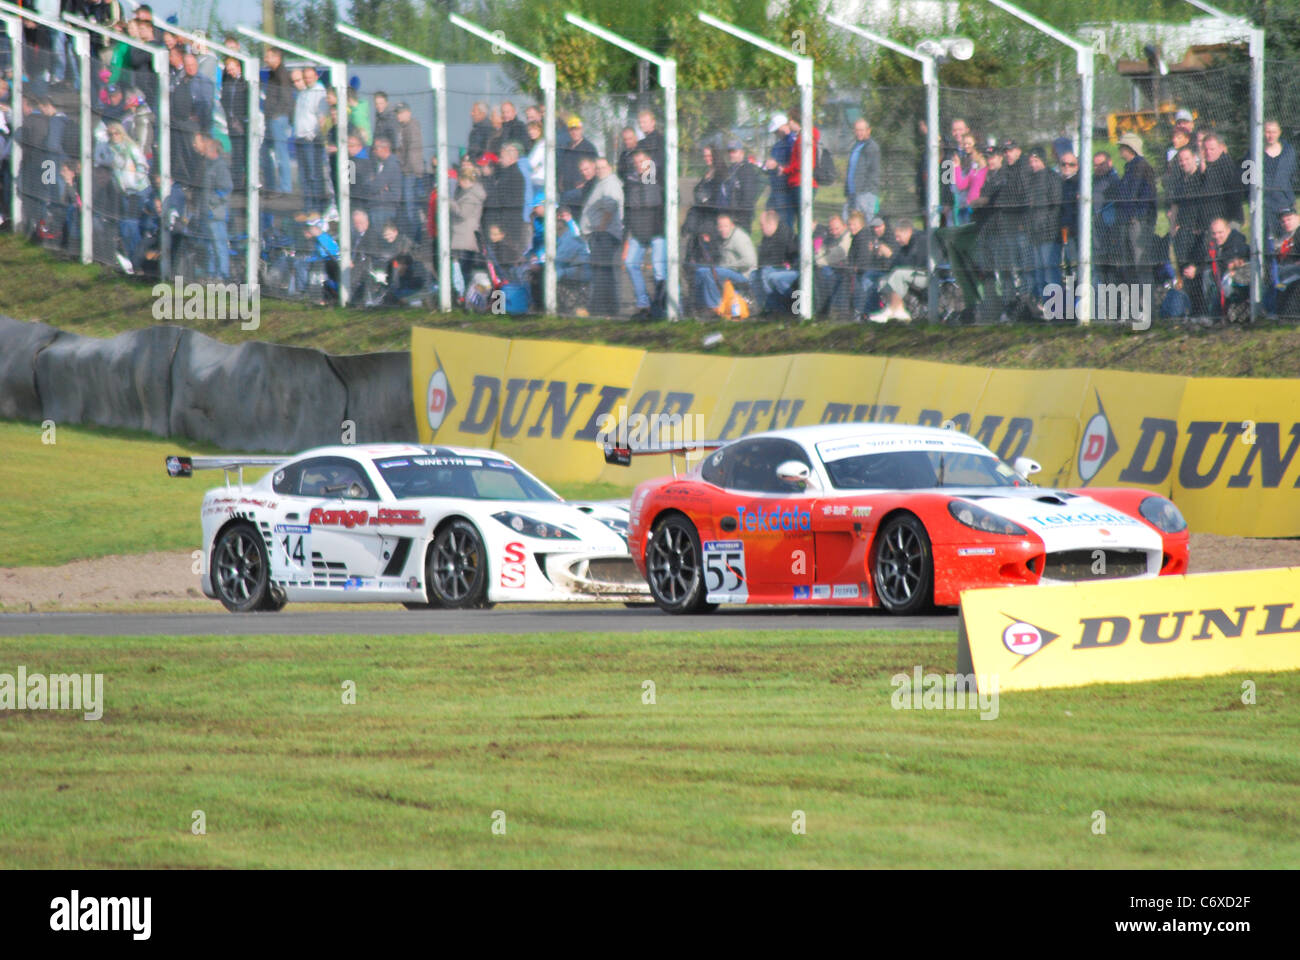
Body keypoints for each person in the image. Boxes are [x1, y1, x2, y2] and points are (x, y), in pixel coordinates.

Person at [623, 148, 666, 319]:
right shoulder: (631, 181)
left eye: (643, 161)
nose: (640, 166)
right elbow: (628, 211)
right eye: (637, 163)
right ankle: (644, 304)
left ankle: (661, 308)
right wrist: (627, 236)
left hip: (657, 232)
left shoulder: (659, 177)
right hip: (638, 231)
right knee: (630, 263)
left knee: (659, 270)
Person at [580, 156, 624, 316]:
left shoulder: (610, 183)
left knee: (601, 272)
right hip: (600, 234)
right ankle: (609, 308)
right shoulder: (602, 183)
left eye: (603, 168)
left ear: (610, 168)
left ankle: (599, 308)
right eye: (597, 168)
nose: (600, 171)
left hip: (605, 234)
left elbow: (610, 206)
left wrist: (602, 226)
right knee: (603, 271)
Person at [1182, 217, 1248, 320]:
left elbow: (1223, 264)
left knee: (1208, 274)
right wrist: (1194, 269)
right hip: (1218, 278)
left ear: (1228, 230)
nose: (1217, 236)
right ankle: (1196, 312)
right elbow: (1206, 260)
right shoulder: (1211, 243)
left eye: (1220, 232)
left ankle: (1212, 313)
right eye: (1214, 233)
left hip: (1236, 280)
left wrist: (1198, 270)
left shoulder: (1237, 241)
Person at [1114, 132, 1157, 286]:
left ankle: (1146, 305)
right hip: (1127, 221)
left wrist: (1137, 216)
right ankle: (1135, 304)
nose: (1120, 150)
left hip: (1138, 223)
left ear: (1129, 148)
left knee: (1141, 265)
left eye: (1122, 147)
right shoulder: (1129, 168)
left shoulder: (1142, 166)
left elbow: (1148, 194)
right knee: (1129, 265)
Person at [693, 212, 756, 313]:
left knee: (710, 273)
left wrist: (729, 266)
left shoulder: (739, 238)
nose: (723, 229)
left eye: (726, 226)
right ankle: (700, 306)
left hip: (743, 274)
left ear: (732, 226)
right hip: (727, 270)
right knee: (700, 271)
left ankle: (714, 307)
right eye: (720, 226)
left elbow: (750, 260)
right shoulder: (721, 237)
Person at [868, 219, 927, 323]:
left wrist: (890, 255)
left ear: (908, 231)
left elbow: (913, 263)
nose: (897, 239)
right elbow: (895, 263)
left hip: (925, 275)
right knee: (884, 279)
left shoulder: (920, 240)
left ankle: (895, 310)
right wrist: (889, 258)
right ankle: (894, 309)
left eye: (898, 236)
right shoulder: (905, 245)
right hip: (912, 274)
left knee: (898, 274)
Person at [1026, 146, 1063, 301]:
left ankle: (1057, 307)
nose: (1033, 164)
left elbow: (1056, 204)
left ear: (1042, 160)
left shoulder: (1052, 177)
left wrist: (1049, 224)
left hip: (1049, 233)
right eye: (1031, 161)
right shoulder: (1030, 179)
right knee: (1039, 272)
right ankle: (1043, 305)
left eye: (1036, 160)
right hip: (1034, 233)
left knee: (1050, 271)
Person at [449, 160, 486, 298]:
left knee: (463, 269)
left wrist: (449, 202)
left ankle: (465, 296)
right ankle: (463, 296)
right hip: (461, 236)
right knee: (461, 269)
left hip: (465, 237)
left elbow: (463, 213)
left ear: (464, 180)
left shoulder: (472, 196)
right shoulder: (466, 192)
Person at [753, 207, 799, 315]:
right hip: (772, 267)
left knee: (767, 274)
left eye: (762, 225)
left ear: (771, 224)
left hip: (787, 268)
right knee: (753, 276)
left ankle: (775, 308)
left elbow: (779, 259)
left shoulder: (783, 234)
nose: (760, 228)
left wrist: (764, 266)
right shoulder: (767, 237)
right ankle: (763, 307)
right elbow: (762, 258)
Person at [683, 145, 723, 266]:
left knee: (706, 257)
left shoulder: (720, 174)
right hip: (699, 220)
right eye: (705, 156)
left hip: (710, 221)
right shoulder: (707, 173)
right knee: (691, 256)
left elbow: (717, 199)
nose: (707, 158)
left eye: (710, 155)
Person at [261, 47, 293, 193]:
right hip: (272, 118)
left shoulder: (282, 74)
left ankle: (285, 187)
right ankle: (272, 185)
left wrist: (277, 114)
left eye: (268, 56)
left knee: (281, 153)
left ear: (277, 57)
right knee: (265, 151)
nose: (265, 59)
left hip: (278, 118)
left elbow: (287, 97)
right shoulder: (273, 74)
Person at [1262, 120, 1297, 244]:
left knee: (1289, 242)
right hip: (1265, 206)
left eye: (1274, 132)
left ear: (1279, 132)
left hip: (1285, 203)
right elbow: (1247, 179)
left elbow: (1294, 176)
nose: (1270, 135)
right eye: (1267, 132)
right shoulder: (1254, 153)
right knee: (1268, 242)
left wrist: (1290, 198)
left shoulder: (1289, 152)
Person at [719, 139, 762, 233]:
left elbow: (748, 198)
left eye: (734, 152)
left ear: (742, 153)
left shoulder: (747, 170)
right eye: (730, 152)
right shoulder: (731, 170)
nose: (731, 154)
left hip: (741, 219)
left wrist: (738, 217)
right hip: (728, 217)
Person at [844, 118, 881, 221]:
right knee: (848, 221)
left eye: (861, 130)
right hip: (852, 194)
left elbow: (870, 172)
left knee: (864, 224)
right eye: (856, 130)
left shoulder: (871, 147)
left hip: (865, 193)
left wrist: (863, 191)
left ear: (868, 130)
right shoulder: (856, 146)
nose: (858, 133)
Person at [557, 115, 597, 194]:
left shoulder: (588, 148)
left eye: (577, 129)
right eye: (571, 130)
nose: (574, 132)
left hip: (581, 190)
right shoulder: (567, 147)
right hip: (566, 188)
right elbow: (563, 167)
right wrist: (560, 181)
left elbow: (595, 169)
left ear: (581, 130)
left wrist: (586, 183)